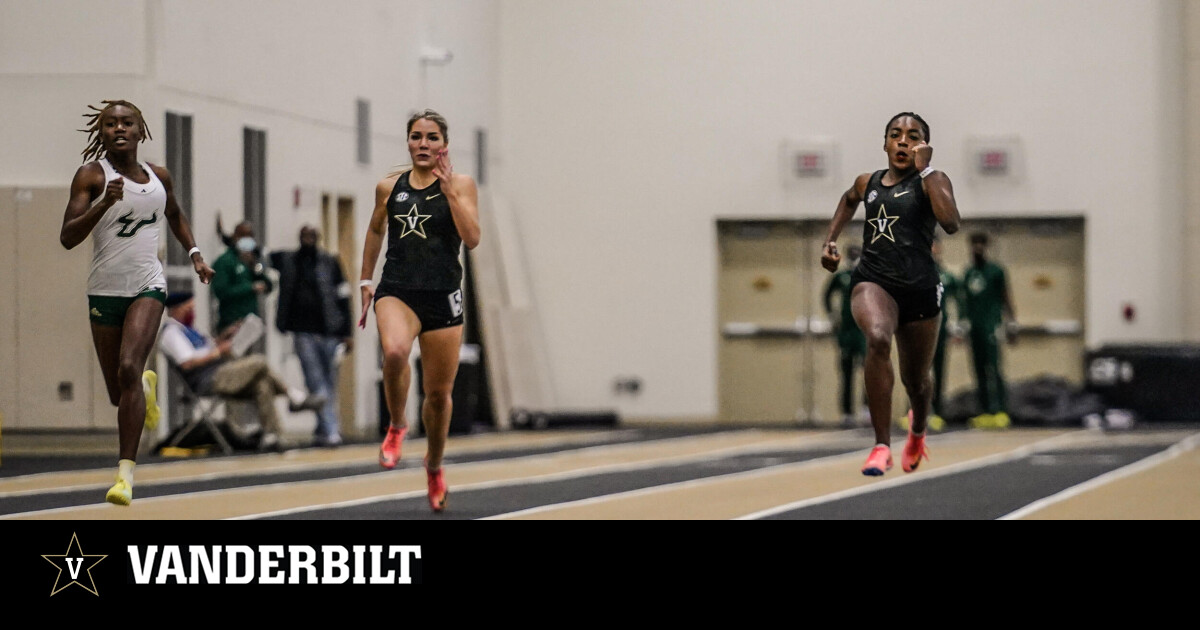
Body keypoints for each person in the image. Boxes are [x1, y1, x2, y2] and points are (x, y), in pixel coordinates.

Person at [59, 99, 215, 505]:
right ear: (102, 131)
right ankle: (144, 390)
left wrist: (195, 253)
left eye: (127, 122)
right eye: (110, 124)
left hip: (147, 285)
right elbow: (68, 236)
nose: (118, 129)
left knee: (130, 365)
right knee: (119, 392)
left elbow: (175, 215)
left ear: (140, 129)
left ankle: (124, 476)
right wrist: (104, 204)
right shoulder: (92, 176)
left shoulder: (157, 176)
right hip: (105, 289)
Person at [820, 112, 961, 476]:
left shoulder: (933, 180)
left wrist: (927, 170)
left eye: (913, 136)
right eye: (895, 135)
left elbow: (950, 223)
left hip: (919, 288)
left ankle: (917, 432)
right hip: (874, 280)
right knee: (878, 339)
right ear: (884, 143)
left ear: (925, 146)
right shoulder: (868, 182)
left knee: (916, 380)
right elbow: (849, 199)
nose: (903, 141)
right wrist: (831, 239)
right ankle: (881, 444)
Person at [358, 109, 480, 512]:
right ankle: (396, 425)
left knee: (439, 394)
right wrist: (365, 282)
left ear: (444, 144)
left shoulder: (461, 184)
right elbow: (376, 229)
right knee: (394, 352)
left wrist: (448, 193)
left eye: (431, 138)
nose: (423, 144)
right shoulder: (389, 187)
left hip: (443, 295)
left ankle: (435, 464)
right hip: (398, 290)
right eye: (416, 137)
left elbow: (472, 238)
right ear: (408, 142)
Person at [158, 293, 326, 451]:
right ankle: (294, 397)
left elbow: (207, 348)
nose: (192, 312)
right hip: (208, 379)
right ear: (176, 309)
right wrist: (219, 352)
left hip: (221, 373)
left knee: (262, 383)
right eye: (189, 308)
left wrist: (225, 336)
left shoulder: (191, 330)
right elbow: (187, 363)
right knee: (259, 362)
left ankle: (272, 435)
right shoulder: (172, 333)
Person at [269, 225, 354, 447]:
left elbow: (344, 296)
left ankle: (322, 427)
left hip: (330, 332)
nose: (308, 239)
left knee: (329, 382)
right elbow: (259, 255)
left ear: (318, 238)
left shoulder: (330, 262)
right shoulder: (289, 261)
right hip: (302, 331)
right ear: (299, 237)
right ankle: (331, 430)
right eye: (304, 235)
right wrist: (231, 240)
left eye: (311, 236)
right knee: (316, 381)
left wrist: (347, 332)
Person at [962, 232, 1017, 429]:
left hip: (991, 326)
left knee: (993, 368)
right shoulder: (968, 273)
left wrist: (1011, 323)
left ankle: (1000, 410)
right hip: (974, 327)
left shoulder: (996, 271)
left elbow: (1006, 297)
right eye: (974, 244)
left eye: (981, 244)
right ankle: (984, 410)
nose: (977, 248)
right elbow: (965, 301)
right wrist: (963, 324)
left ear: (987, 247)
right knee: (978, 369)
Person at [822, 245, 867, 427]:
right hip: (846, 331)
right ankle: (847, 412)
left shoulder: (867, 275)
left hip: (862, 329)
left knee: (868, 372)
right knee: (846, 373)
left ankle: (867, 409)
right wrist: (833, 316)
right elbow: (826, 296)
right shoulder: (841, 277)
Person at [210, 220, 272, 336]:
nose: (247, 240)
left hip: (251, 324)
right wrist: (250, 287)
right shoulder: (224, 262)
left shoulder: (251, 260)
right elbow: (221, 291)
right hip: (231, 322)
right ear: (235, 237)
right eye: (244, 236)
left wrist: (255, 268)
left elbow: (268, 285)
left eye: (250, 236)